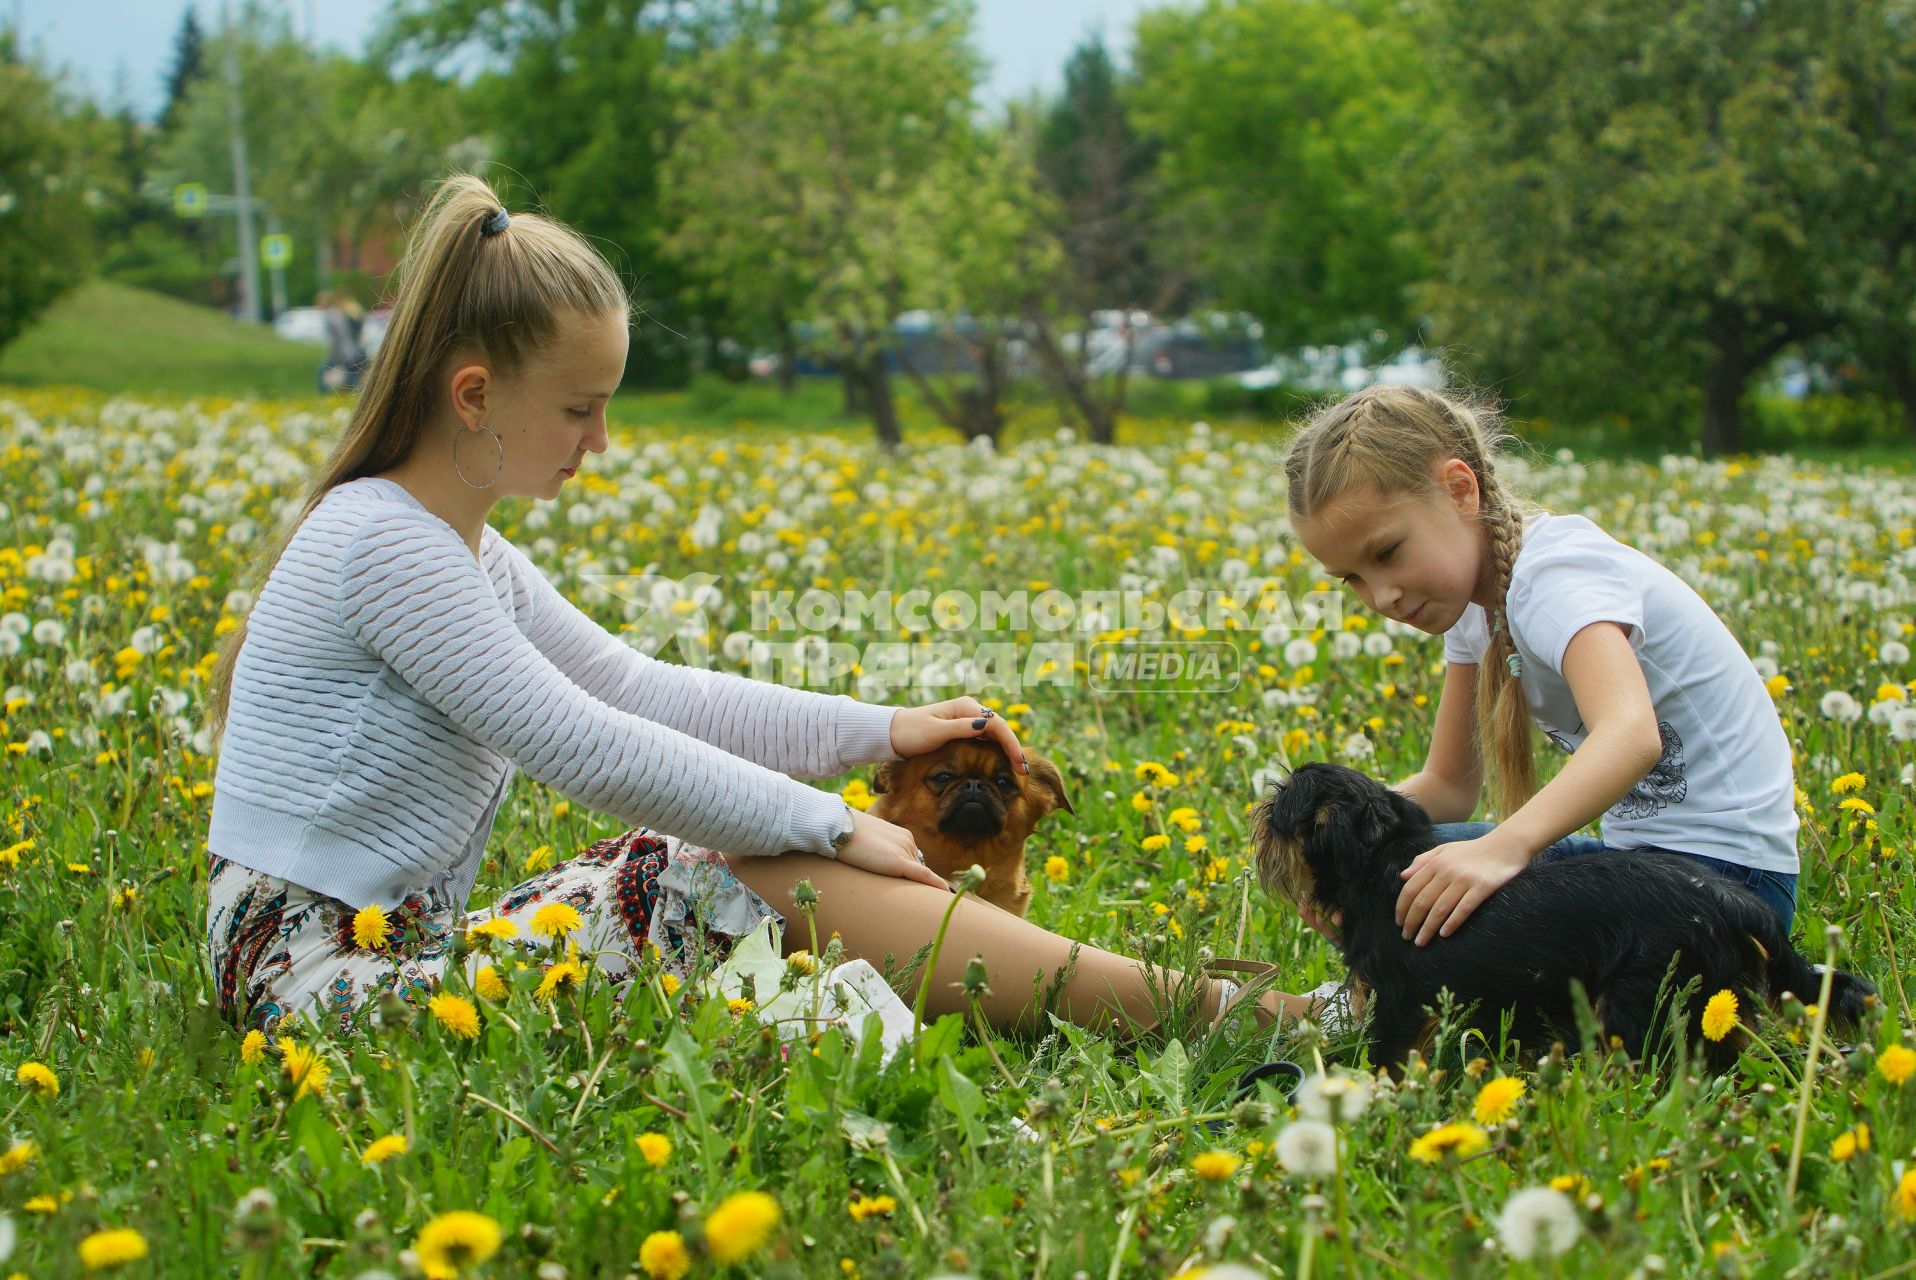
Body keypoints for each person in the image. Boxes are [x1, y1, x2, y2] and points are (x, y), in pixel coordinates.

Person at [203, 172, 1322, 1041]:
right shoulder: (383, 545)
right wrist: (839, 825)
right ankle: (1213, 1014)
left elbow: (643, 688)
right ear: (475, 396)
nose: (601, 442)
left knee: (718, 851)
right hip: (315, 983)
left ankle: (1185, 1005)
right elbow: (583, 742)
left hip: (393, 949)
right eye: (582, 409)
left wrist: (885, 733)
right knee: (716, 860)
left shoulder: (458, 550)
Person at [1283, 384, 1799, 950]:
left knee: (1436, 880)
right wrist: (1336, 855)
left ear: (1459, 490)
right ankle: (1376, 1008)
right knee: (1404, 872)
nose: (1381, 597)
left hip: (1730, 888)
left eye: (1386, 554)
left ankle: (1349, 1015)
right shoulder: (1475, 615)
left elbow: (1631, 736)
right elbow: (1450, 785)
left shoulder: (1555, 577)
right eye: (1352, 578)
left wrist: (1503, 847)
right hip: (1645, 870)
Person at [318, 290, 368, 393]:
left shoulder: (335, 315)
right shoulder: (353, 311)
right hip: (357, 350)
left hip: (347, 352)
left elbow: (338, 338)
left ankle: (325, 394)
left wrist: (334, 354)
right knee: (354, 374)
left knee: (349, 374)